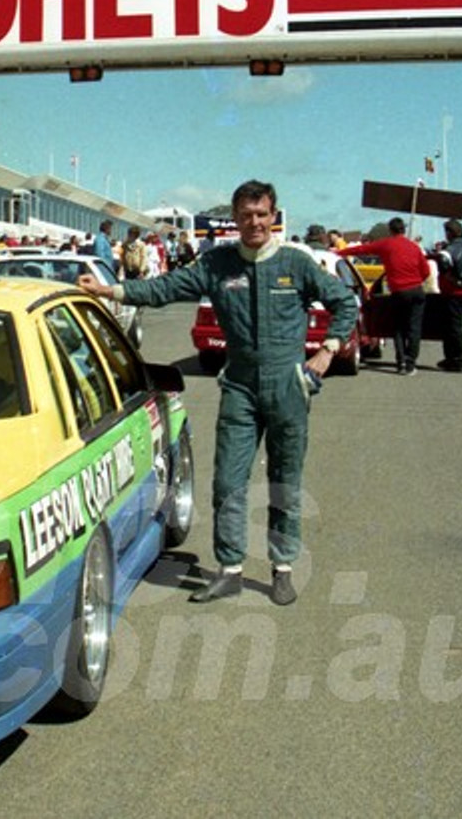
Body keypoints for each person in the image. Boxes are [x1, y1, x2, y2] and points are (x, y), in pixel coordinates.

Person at [78, 179, 357, 606]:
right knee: (229, 480)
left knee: (284, 479)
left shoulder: (296, 265)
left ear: (273, 217)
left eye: (262, 215)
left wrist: (326, 353)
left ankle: (282, 567)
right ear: (236, 219)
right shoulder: (218, 265)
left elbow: (345, 302)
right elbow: (163, 289)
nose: (255, 223)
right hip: (240, 386)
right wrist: (110, 290)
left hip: (288, 385)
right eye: (246, 216)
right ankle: (229, 569)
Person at [337, 217, 430, 375]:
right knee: (414, 328)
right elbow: (426, 271)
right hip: (416, 289)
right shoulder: (414, 247)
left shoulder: (386, 244)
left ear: (390, 230)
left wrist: (338, 252)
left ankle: (400, 361)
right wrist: (416, 280)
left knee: (399, 327)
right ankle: (410, 363)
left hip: (399, 291)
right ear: (403, 230)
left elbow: (361, 250)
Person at [429, 218, 462, 372]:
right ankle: (453, 358)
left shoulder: (453, 248)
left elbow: (444, 261)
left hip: (454, 292)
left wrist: (448, 275)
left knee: (453, 327)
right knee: (453, 326)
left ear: (450, 233)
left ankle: (457, 360)